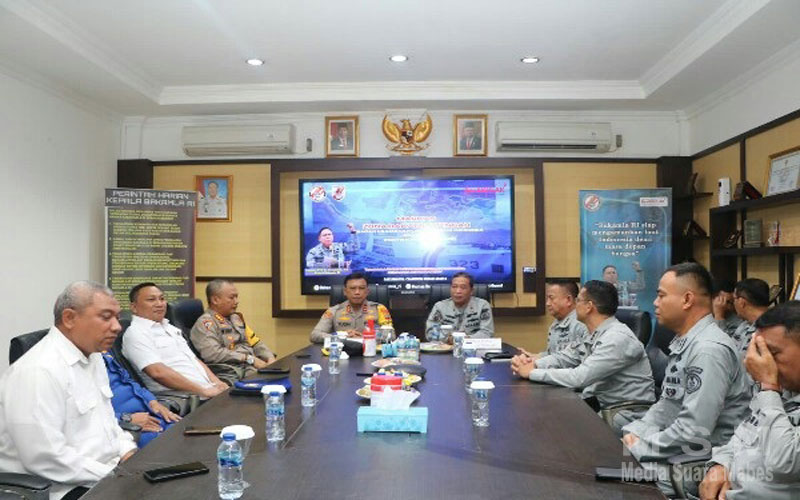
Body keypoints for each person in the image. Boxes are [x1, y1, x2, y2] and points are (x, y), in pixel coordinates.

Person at [621, 263, 751, 497]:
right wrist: (636, 432)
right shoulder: (688, 342)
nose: (655, 302)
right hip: (680, 453)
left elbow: (694, 431)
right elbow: (666, 406)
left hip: (704, 462)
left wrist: (640, 447)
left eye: (661, 295)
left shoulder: (708, 350)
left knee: (616, 479)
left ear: (687, 299)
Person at [0, 281, 137, 499]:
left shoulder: (94, 357)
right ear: (69, 318)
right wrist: (116, 474)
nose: (117, 327)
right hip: (64, 488)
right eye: (106, 317)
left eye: (117, 317)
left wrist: (127, 451)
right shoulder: (38, 370)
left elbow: (107, 421)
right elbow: (46, 458)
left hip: (104, 474)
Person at [511, 280, 655, 434]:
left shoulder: (616, 338)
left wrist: (532, 373)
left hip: (622, 415)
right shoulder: (593, 333)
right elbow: (566, 357)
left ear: (589, 306)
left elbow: (579, 377)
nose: (574, 305)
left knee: (550, 425)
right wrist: (533, 363)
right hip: (598, 405)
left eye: (578, 300)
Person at [699, 301, 800, 500]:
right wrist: (721, 464)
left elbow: (784, 463)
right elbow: (744, 436)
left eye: (773, 353)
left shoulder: (771, 389)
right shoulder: (785, 390)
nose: (764, 362)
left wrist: (768, 387)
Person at [122, 282, 229, 398]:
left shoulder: (170, 328)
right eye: (151, 300)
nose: (160, 304)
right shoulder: (136, 333)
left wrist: (217, 382)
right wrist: (203, 391)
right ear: (134, 307)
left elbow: (193, 360)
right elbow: (157, 373)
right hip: (184, 398)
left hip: (207, 391)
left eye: (162, 299)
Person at [190, 279, 276, 385]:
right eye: (232, 298)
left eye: (236, 297)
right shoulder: (206, 323)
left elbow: (254, 342)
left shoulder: (235, 318)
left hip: (250, 366)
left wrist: (269, 357)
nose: (236, 301)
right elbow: (213, 354)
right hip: (231, 372)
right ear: (215, 300)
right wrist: (248, 359)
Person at [102, 350, 180, 447]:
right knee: (169, 444)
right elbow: (89, 419)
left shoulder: (102, 353)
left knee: (183, 428)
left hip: (149, 413)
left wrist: (152, 401)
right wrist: (126, 419)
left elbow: (128, 381)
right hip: (126, 428)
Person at [310, 272, 393, 343]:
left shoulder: (379, 309)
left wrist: (365, 337)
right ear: (345, 291)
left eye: (361, 288)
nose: (357, 292)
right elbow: (315, 335)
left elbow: (391, 335)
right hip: (342, 352)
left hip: (371, 352)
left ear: (367, 291)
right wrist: (341, 336)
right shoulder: (333, 311)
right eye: (353, 288)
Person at [520, 279, 587, 359]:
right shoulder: (556, 323)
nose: (547, 303)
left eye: (551, 298)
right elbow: (552, 354)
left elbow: (575, 358)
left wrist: (537, 362)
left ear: (568, 300)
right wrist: (532, 356)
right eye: (547, 298)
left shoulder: (581, 323)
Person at [425, 272, 494, 340]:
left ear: (471, 291)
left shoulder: (482, 305)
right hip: (445, 345)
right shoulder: (439, 306)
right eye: (454, 287)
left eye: (463, 287)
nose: (458, 291)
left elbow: (487, 332)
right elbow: (430, 333)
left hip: (473, 345)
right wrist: (447, 339)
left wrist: (466, 339)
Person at [731, 278, 771, 358]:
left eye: (734, 299)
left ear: (741, 302)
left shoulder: (770, 328)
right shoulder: (743, 326)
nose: (733, 303)